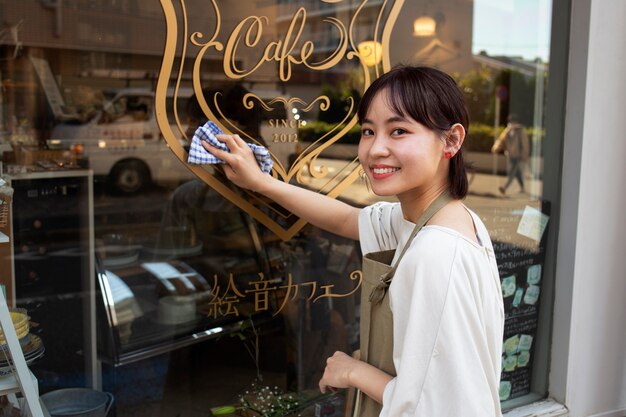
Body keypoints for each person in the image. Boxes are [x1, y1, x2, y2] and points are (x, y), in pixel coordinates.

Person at [202, 66, 504, 417]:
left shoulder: (435, 255)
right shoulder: (440, 219)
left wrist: (353, 371)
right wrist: (262, 183)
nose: (376, 149)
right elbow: (348, 219)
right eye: (368, 131)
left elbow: (437, 408)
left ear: (451, 140)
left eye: (399, 131)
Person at [491, 114, 530, 195]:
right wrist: (496, 147)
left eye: (513, 122)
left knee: (512, 172)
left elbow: (525, 145)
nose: (511, 124)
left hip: (518, 156)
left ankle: (504, 187)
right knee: (517, 173)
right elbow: (501, 140)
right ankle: (522, 188)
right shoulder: (508, 130)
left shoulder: (521, 132)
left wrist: (524, 156)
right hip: (511, 155)